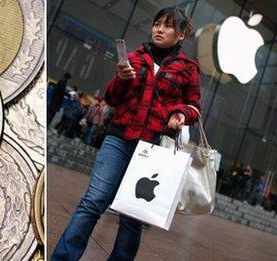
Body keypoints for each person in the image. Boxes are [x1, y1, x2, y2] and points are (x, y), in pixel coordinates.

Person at [52, 7, 201, 260]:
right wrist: (121, 78)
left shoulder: (188, 68)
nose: (158, 29)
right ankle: (63, 257)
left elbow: (194, 106)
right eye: (156, 24)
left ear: (181, 34)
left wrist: (182, 114)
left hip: (151, 148)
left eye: (166, 25)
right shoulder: (134, 57)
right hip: (118, 140)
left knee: (133, 214)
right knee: (93, 202)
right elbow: (111, 98)